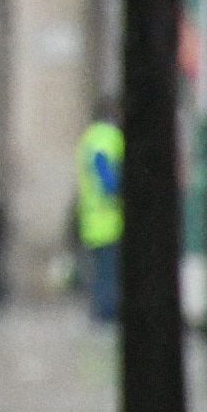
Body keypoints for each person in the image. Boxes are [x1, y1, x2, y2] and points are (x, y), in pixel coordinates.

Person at [76, 100, 124, 323]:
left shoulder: (90, 138)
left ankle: (101, 312)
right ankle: (106, 316)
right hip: (110, 220)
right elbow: (108, 180)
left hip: (93, 220)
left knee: (101, 273)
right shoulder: (108, 138)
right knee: (109, 274)